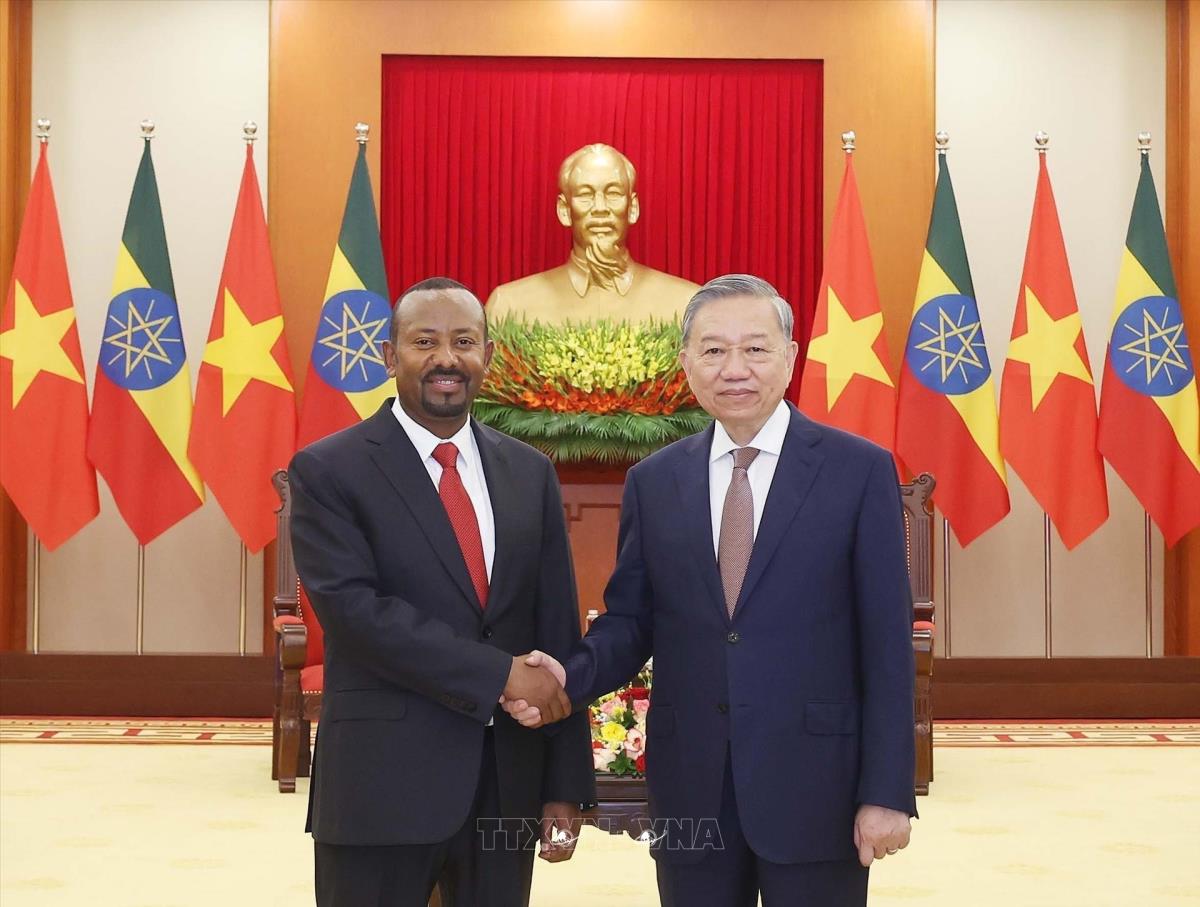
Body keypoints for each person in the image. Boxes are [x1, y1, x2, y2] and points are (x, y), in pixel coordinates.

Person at [505, 274, 916, 906]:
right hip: (690, 787)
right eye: (714, 350)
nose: (734, 369)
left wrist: (886, 791)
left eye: (755, 348)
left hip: (817, 785)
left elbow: (887, 642)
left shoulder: (858, 470)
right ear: (686, 363)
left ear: (790, 356)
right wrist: (568, 676)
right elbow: (631, 621)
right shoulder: (655, 480)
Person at [289, 277, 595, 907]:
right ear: (389, 355)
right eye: (424, 342)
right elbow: (356, 615)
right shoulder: (330, 469)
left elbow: (555, 628)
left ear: (488, 355)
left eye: (464, 341)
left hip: (505, 784)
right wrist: (499, 674)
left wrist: (565, 786)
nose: (446, 359)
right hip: (382, 782)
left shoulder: (529, 471)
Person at [485, 143, 698, 325]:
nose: (600, 208)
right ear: (564, 210)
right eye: (585, 195)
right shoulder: (510, 307)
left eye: (613, 193)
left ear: (633, 208)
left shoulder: (684, 304)